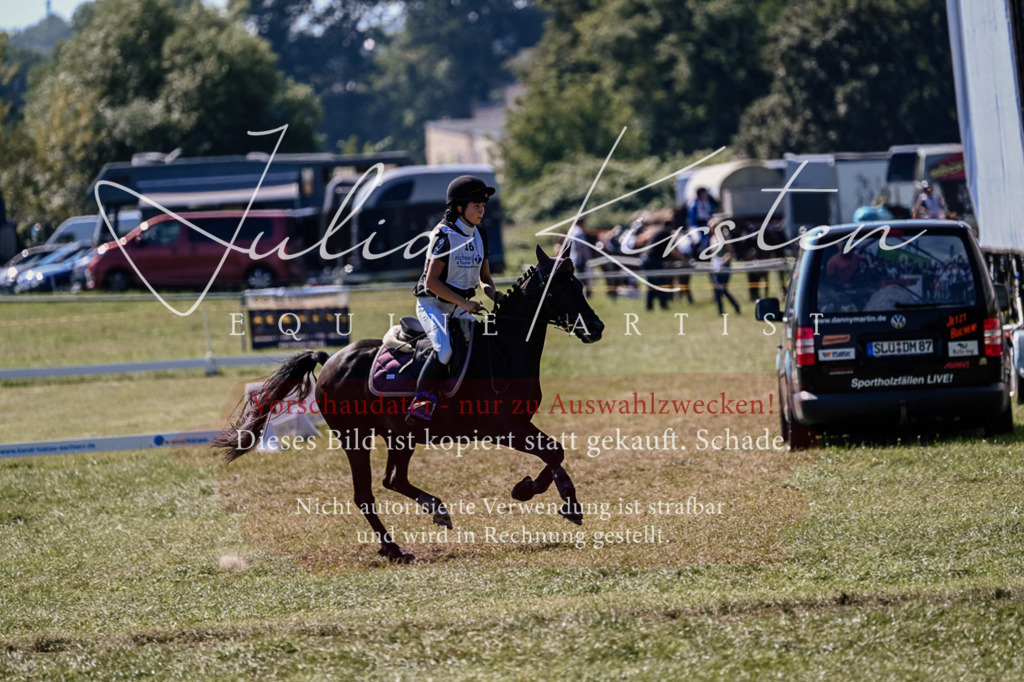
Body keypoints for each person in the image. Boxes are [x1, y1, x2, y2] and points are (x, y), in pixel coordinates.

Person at [407, 176, 503, 423]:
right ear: (460, 207)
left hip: (461, 306)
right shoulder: (444, 235)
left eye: (483, 205)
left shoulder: (480, 233)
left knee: (483, 345)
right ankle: (421, 403)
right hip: (433, 305)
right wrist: (463, 303)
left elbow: (485, 278)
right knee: (446, 350)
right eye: (476, 206)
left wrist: (495, 294)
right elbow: (431, 282)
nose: (482, 211)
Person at [708, 219, 741, 316]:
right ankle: (720, 311)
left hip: (724, 266)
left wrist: (723, 260)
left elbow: (731, 252)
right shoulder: (712, 239)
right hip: (715, 267)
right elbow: (712, 255)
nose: (711, 229)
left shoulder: (725, 237)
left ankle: (736, 306)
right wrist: (713, 262)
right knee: (717, 289)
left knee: (723, 289)